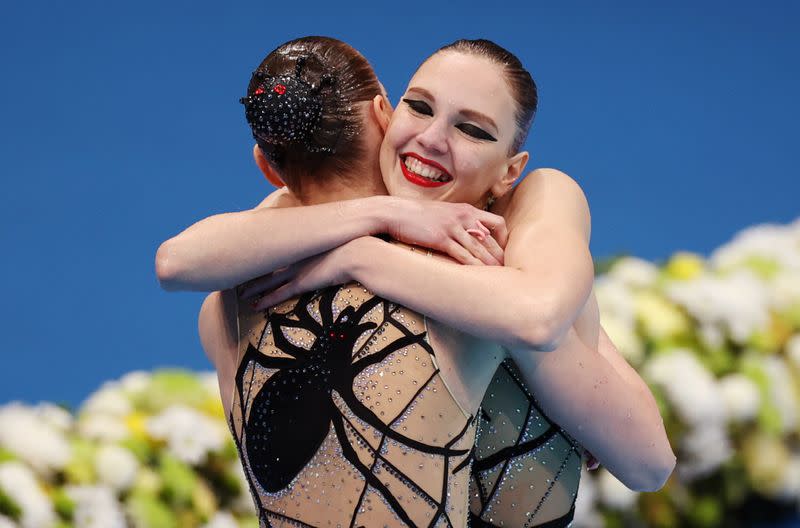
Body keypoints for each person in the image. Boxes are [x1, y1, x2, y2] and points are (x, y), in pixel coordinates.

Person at [157, 37, 675, 527]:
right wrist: (379, 220)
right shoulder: (299, 233)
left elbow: (647, 459)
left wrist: (362, 259)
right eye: (420, 107)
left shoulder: (523, 231)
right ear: (387, 114)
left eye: (473, 130)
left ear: (509, 171)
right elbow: (178, 260)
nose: (431, 139)